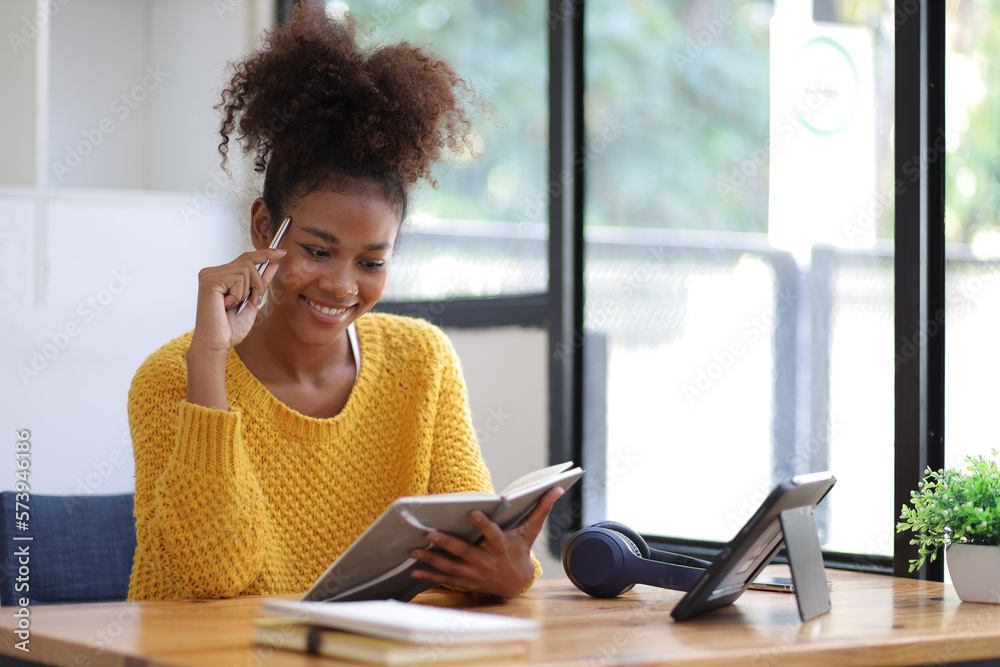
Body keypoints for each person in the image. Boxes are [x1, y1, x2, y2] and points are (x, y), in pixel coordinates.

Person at [126, 1, 562, 601]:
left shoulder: (421, 362)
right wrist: (208, 364)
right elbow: (211, 578)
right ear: (263, 229)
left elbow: (466, 554)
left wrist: (508, 576)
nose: (342, 285)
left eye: (371, 262)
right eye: (318, 250)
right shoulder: (169, 379)